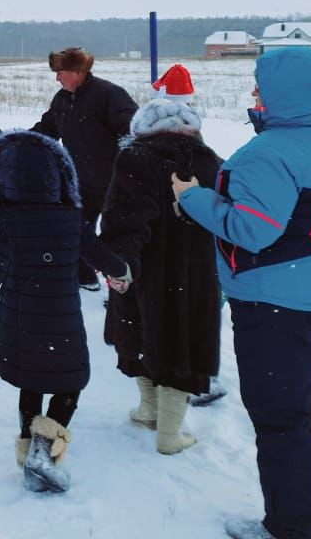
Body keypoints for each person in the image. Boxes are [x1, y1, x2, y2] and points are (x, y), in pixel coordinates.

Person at [173, 49, 311, 539]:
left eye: (261, 87)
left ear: (284, 95)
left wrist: (191, 197)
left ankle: (294, 525)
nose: (254, 95)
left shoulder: (267, 154)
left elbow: (252, 230)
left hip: (274, 306)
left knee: (281, 420)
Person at [0, 130, 129, 494]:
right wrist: (122, 273)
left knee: (31, 379)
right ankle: (43, 446)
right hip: (62, 319)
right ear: (59, 178)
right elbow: (100, 255)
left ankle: (28, 446)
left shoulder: (5, 222)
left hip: (19, 320)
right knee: (70, 380)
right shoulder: (72, 218)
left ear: (2, 182)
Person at [100, 92, 222, 455]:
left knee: (138, 332)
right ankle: (167, 426)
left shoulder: (135, 158)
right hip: (194, 269)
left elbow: (124, 217)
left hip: (144, 266)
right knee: (181, 340)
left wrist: (120, 261)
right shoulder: (210, 160)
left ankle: (152, 412)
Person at [31, 47, 137, 290]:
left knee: (116, 236)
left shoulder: (109, 95)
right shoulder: (62, 99)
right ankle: (85, 277)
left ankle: (122, 289)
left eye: (61, 72)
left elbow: (130, 130)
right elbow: (47, 128)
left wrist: (127, 166)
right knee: (76, 230)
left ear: (78, 72)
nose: (57, 77)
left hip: (114, 182)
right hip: (79, 180)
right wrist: (22, 143)